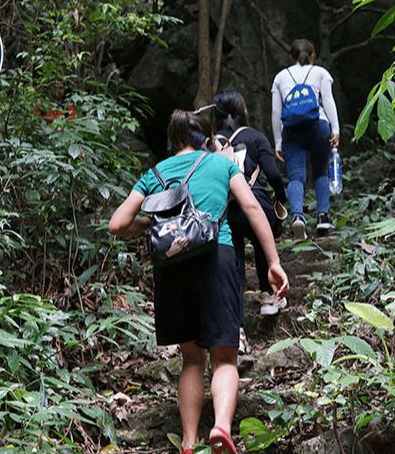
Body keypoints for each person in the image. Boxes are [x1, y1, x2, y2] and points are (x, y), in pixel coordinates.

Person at [108, 109, 290, 454]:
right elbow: (252, 208)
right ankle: (221, 427)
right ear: (204, 139)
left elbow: (117, 224)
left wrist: (152, 227)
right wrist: (274, 262)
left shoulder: (155, 173)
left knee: (192, 359)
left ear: (173, 140)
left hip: (172, 266)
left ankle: (189, 443)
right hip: (216, 258)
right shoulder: (221, 165)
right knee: (224, 356)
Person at [213, 90, 288, 320]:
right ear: (243, 112)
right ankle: (267, 296)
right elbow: (274, 174)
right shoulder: (256, 137)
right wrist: (280, 198)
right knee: (261, 242)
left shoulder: (211, 142)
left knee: (234, 260)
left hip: (228, 208)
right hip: (257, 201)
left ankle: (237, 322)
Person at [271, 38, 340, 239]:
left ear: (291, 58)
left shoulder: (280, 77)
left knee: (296, 176)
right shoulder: (321, 73)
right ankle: (323, 217)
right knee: (320, 172)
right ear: (313, 57)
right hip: (319, 126)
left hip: (292, 130)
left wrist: (277, 142)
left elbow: (276, 111)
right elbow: (328, 100)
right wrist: (335, 129)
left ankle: (298, 218)